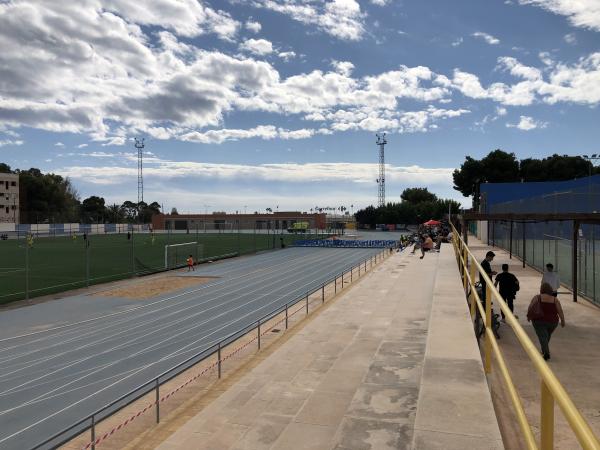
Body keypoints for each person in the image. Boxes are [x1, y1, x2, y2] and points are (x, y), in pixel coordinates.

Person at [528, 282, 565, 360]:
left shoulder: (537, 297)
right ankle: (544, 350)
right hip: (553, 322)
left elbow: (531, 307)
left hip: (539, 321)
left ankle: (546, 353)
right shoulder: (555, 299)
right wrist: (562, 320)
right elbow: (560, 311)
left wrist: (529, 316)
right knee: (546, 336)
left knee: (543, 336)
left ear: (541, 289)